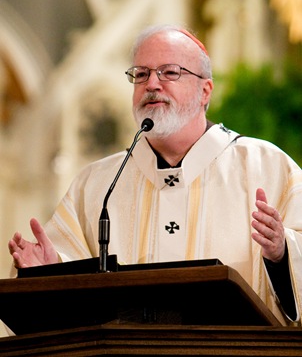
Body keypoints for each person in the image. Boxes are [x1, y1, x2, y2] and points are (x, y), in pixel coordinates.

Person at [8, 24, 302, 326]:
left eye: (170, 72)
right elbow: (73, 287)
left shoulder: (267, 166)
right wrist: (47, 270)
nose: (152, 84)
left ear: (205, 90)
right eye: (141, 74)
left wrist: (282, 254)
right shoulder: (97, 183)